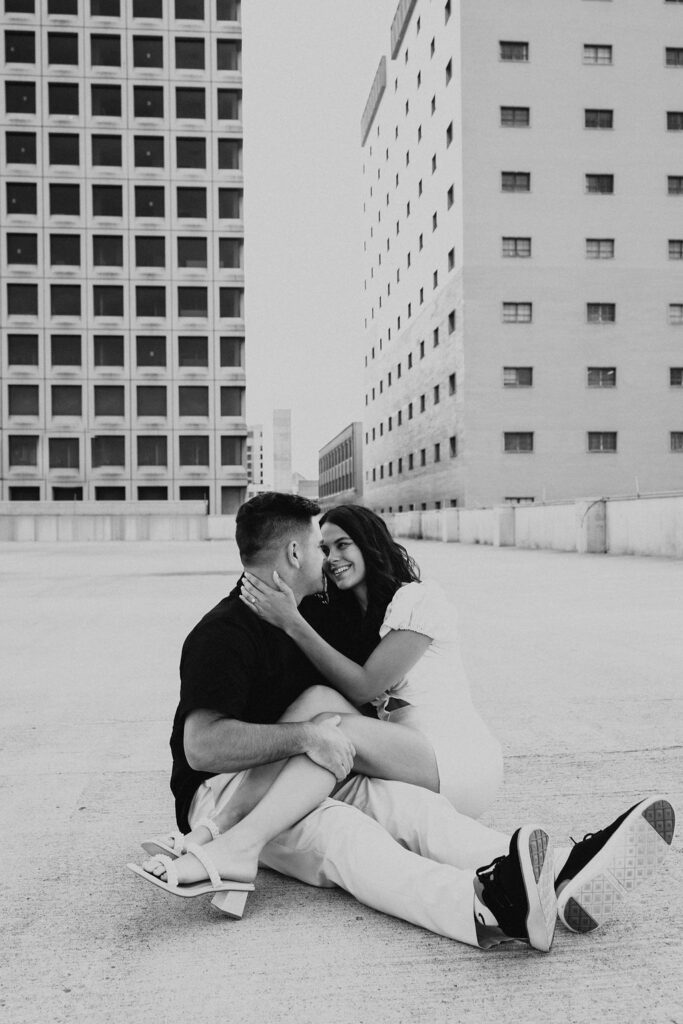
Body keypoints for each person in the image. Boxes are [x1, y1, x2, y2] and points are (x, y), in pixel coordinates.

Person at [128, 492, 675, 952]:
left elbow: (354, 684)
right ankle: (484, 908)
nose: (328, 559)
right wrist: (308, 736)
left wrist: (317, 734)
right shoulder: (224, 632)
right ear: (295, 552)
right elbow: (202, 748)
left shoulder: (313, 615)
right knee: (345, 835)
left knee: (413, 807)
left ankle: (558, 870)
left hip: (312, 766)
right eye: (320, 546)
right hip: (224, 791)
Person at [239, 503, 503, 819]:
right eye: (325, 550)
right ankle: (233, 814)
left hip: (456, 757)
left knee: (326, 728)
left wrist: (292, 622)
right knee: (317, 701)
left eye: (343, 545)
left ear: (369, 543)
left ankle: (230, 820)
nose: (332, 558)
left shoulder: (419, 600)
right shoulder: (354, 619)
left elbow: (364, 687)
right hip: (402, 755)